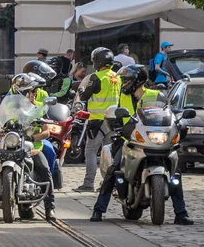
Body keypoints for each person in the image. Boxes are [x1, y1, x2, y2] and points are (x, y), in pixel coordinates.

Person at [90, 64, 193, 225]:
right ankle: (99, 210)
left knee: (175, 175)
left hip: (153, 140)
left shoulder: (156, 95)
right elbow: (117, 115)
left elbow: (167, 113)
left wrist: (178, 123)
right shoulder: (122, 98)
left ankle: (181, 213)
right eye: (123, 81)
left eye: (126, 80)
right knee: (114, 169)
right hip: (128, 140)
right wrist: (116, 124)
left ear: (137, 81)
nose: (123, 84)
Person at [0, 73, 57, 221]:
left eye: (34, 91)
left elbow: (46, 131)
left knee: (45, 171)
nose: (35, 94)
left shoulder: (38, 109)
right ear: (24, 93)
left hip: (32, 149)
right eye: (32, 91)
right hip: (9, 147)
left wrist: (33, 136)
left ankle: (50, 208)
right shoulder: (8, 107)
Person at [74, 47, 121, 193]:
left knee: (91, 152)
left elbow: (84, 96)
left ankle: (88, 183)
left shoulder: (96, 77)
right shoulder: (118, 77)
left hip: (97, 120)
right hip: (113, 121)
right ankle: (108, 184)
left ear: (97, 61)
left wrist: (81, 94)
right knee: (108, 154)